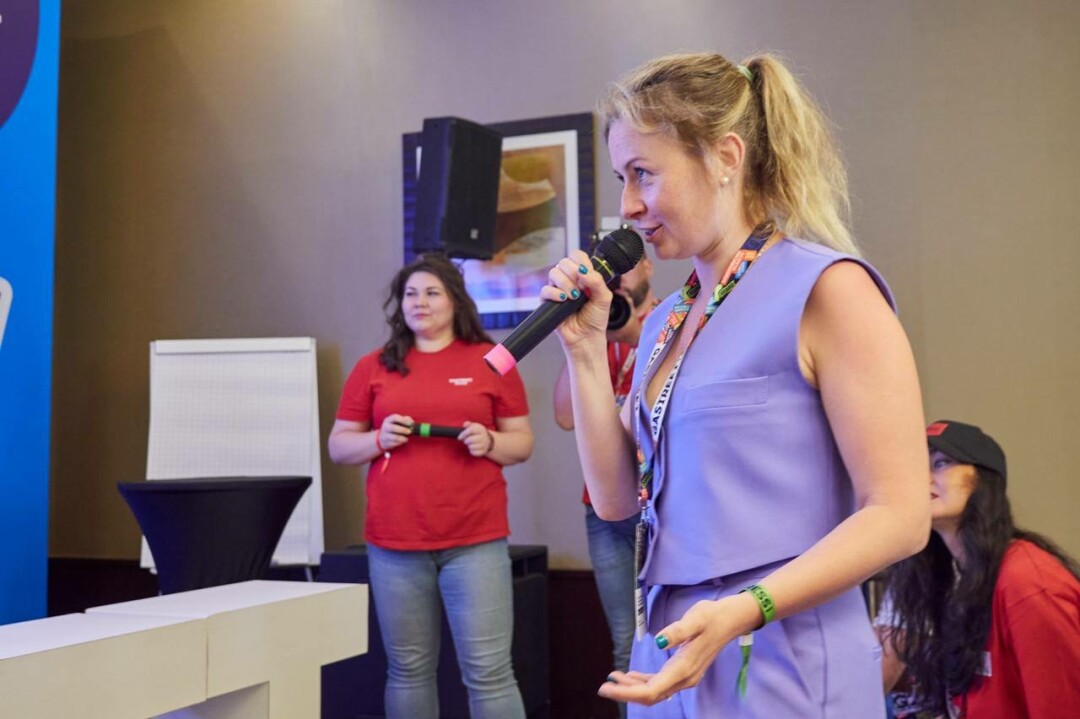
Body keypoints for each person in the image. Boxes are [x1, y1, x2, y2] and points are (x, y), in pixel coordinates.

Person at [541, 51, 930, 717]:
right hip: (668, 650)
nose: (628, 206)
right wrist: (582, 351)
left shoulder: (829, 289)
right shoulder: (665, 319)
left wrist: (747, 608)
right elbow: (615, 499)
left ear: (725, 157)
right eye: (621, 179)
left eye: (643, 174)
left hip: (783, 652)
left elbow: (900, 514)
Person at [328, 253, 535, 719]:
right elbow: (339, 447)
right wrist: (377, 439)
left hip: (476, 540)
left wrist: (491, 441)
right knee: (408, 670)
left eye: (431, 292)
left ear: (455, 301)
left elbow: (522, 443)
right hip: (394, 543)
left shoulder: (492, 362)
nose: (419, 302)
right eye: (410, 294)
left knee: (490, 672)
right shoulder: (373, 366)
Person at [882, 420, 1080, 718]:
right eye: (916, 468)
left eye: (941, 463)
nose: (922, 478)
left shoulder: (1027, 582)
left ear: (984, 482)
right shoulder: (954, 579)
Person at [552, 247, 659, 719]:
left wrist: (634, 333)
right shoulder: (600, 329)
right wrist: (581, 343)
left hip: (657, 504)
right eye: (608, 270)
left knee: (670, 632)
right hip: (603, 510)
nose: (618, 278)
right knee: (625, 642)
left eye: (627, 267)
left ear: (648, 267)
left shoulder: (671, 318)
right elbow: (564, 416)